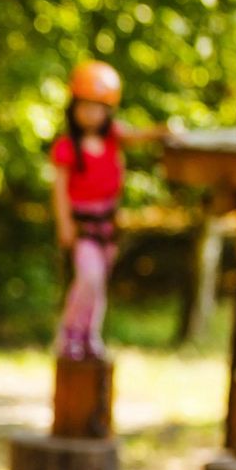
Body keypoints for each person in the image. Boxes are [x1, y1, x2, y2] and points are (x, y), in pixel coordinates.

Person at [51, 60, 171, 360]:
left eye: (97, 108)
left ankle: (91, 334)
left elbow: (140, 136)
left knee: (99, 284)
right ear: (74, 108)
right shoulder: (68, 147)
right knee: (88, 278)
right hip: (83, 225)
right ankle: (70, 334)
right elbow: (59, 189)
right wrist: (64, 224)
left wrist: (162, 132)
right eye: (84, 107)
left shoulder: (113, 138)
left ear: (107, 111)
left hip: (108, 225)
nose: (90, 114)